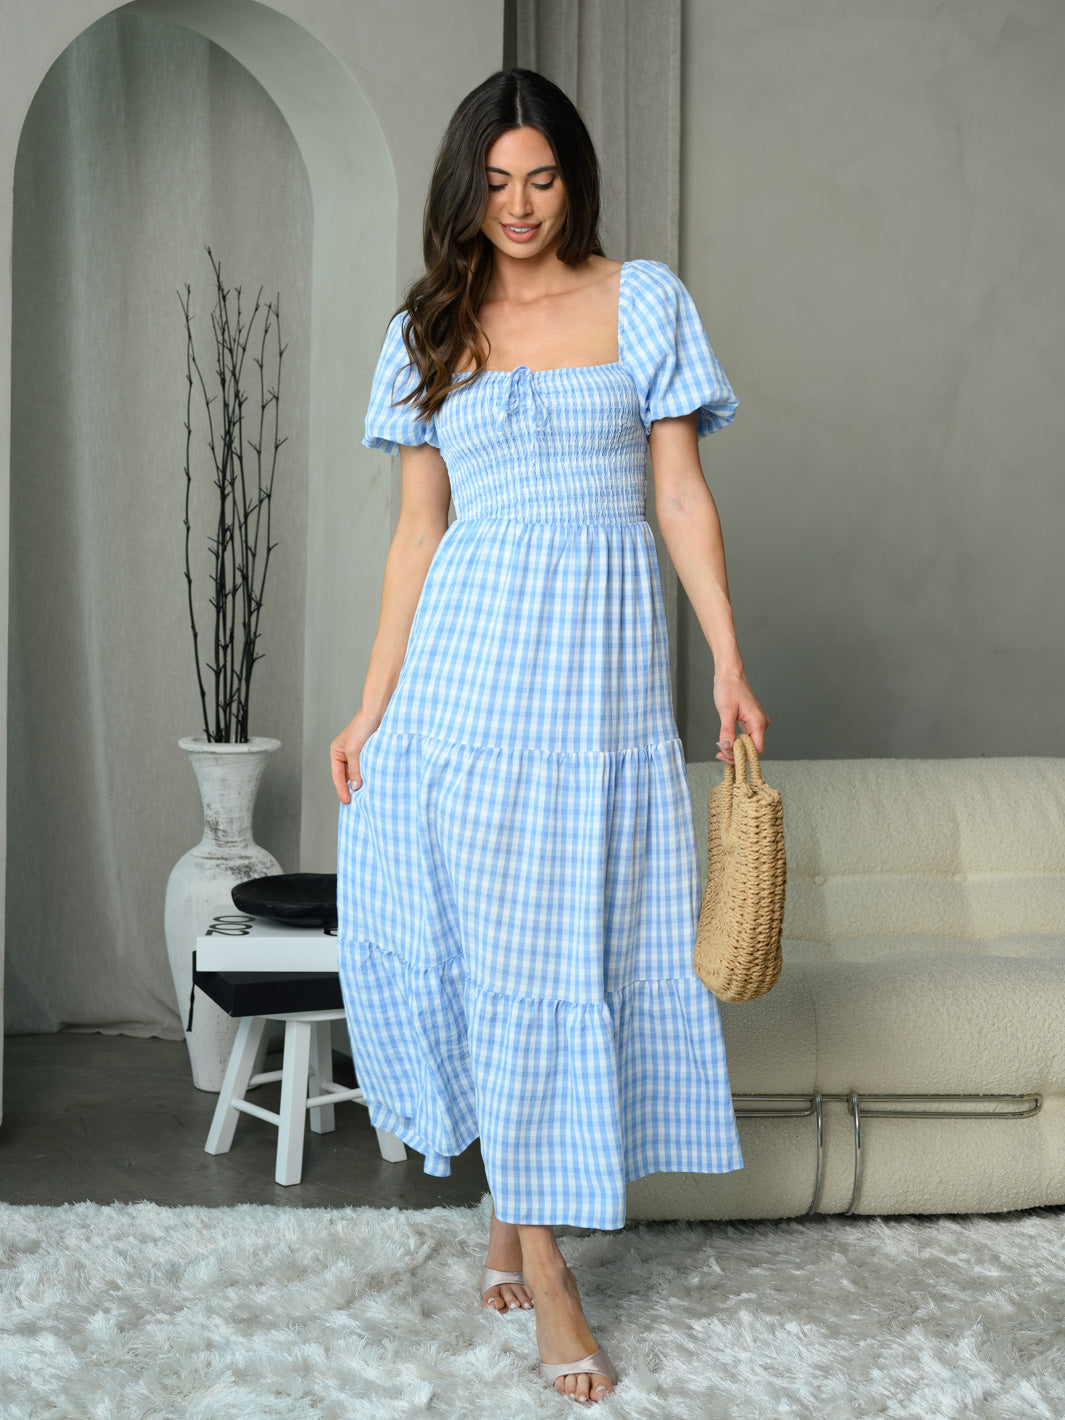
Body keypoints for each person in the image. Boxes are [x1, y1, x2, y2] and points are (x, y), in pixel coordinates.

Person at [330, 67, 769, 1404]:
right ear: (463, 190)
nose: (518, 207)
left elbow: (679, 496)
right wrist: (371, 704)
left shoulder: (645, 301)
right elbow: (418, 536)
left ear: (574, 180)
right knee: (496, 961)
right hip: (463, 690)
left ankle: (507, 1220)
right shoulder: (427, 326)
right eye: (494, 184)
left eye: (542, 179)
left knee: (563, 952)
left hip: (596, 694)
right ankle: (547, 1268)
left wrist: (727, 659)